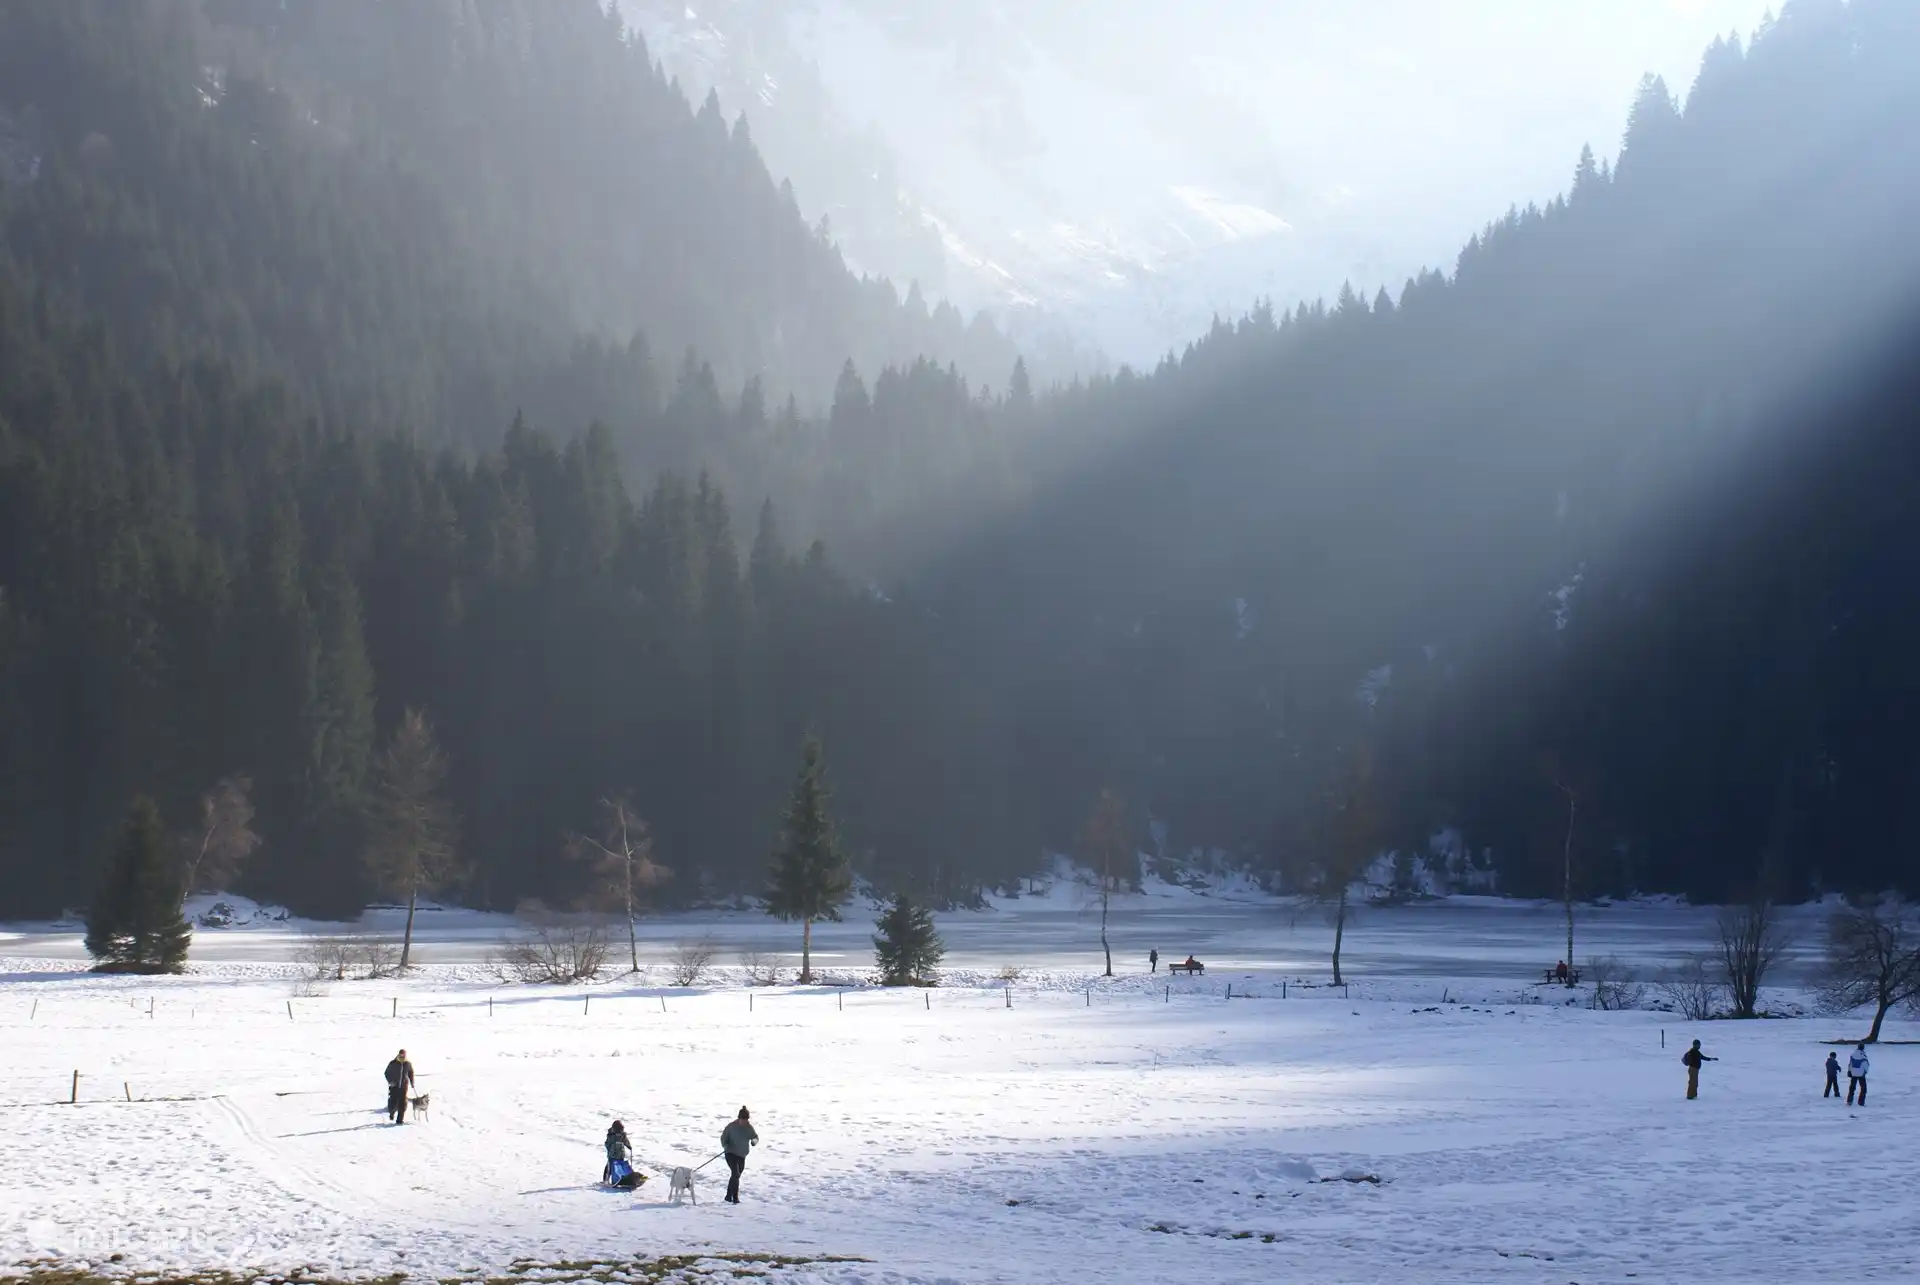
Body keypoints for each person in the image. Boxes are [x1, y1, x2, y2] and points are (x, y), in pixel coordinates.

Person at [720, 1106, 758, 1204]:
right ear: (739, 1118)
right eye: (742, 1119)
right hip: (730, 1153)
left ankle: (728, 1196)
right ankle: (735, 1198)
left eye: (745, 1120)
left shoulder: (749, 1128)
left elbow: (755, 1137)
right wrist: (725, 1145)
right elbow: (724, 1137)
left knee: (736, 1175)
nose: (744, 1122)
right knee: (735, 1173)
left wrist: (754, 1141)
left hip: (741, 1155)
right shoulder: (731, 1126)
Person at [384, 1049, 415, 1124]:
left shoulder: (407, 1063)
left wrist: (412, 1082)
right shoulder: (393, 1063)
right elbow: (386, 1073)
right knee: (394, 1102)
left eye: (403, 1055)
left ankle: (399, 1119)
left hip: (404, 1086)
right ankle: (392, 1113)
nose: (402, 1056)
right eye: (401, 1055)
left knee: (403, 1103)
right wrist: (391, 1081)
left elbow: (410, 1072)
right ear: (398, 1054)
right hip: (394, 1086)